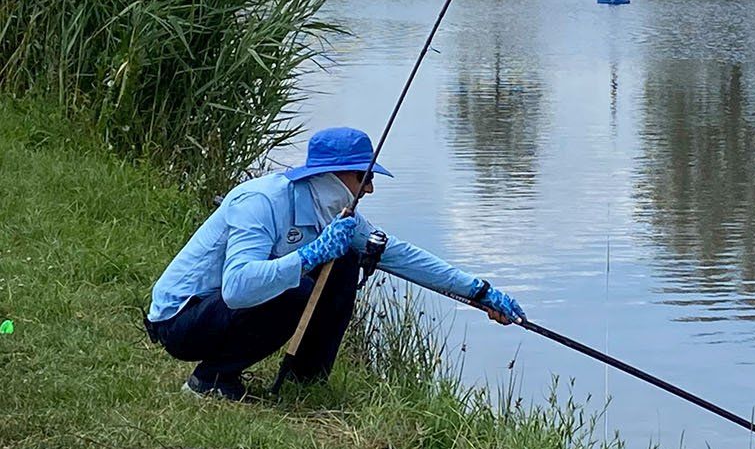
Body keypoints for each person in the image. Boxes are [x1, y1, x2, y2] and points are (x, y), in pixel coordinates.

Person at [146, 126, 525, 400]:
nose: (371, 188)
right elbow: (238, 288)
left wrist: (480, 292)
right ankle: (209, 380)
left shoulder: (341, 215)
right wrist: (309, 255)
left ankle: (304, 382)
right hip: (182, 320)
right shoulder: (260, 202)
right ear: (333, 175)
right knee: (296, 290)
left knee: (344, 262)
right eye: (364, 177)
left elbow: (401, 255)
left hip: (223, 312)